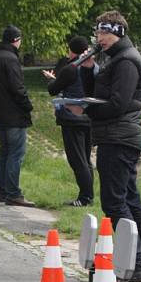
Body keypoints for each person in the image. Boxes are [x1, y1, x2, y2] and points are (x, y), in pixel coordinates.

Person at [70, 10, 141, 282]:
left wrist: (85, 111)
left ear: (118, 33)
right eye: (98, 33)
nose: (100, 38)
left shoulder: (127, 61)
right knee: (131, 200)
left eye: (105, 33)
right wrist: (87, 73)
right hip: (115, 135)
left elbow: (118, 104)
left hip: (120, 138)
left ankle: (134, 265)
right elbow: (101, 94)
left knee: (115, 203)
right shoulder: (113, 59)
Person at [42, 36, 95, 207]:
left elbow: (53, 89)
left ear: (71, 50)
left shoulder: (70, 68)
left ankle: (85, 197)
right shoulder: (94, 67)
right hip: (89, 116)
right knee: (86, 158)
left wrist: (51, 79)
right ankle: (89, 195)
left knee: (77, 159)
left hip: (71, 117)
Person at [0, 25, 35, 207]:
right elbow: (17, 87)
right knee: (16, 153)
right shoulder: (11, 59)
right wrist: (27, 106)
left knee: (5, 152)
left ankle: (2, 190)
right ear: (16, 40)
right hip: (14, 114)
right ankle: (13, 192)